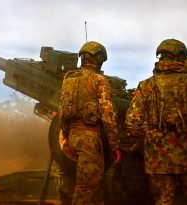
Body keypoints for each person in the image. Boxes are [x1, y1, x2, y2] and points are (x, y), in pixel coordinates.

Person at [125, 39, 187, 205]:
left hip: (157, 158)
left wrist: (146, 143)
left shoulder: (146, 85)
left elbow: (131, 122)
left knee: (163, 200)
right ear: (181, 57)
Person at [59, 41, 121, 205]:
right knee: (86, 190)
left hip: (73, 138)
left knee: (95, 186)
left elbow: (63, 113)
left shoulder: (68, 80)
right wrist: (115, 146)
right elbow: (108, 117)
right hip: (90, 140)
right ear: (99, 59)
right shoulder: (99, 80)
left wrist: (66, 136)